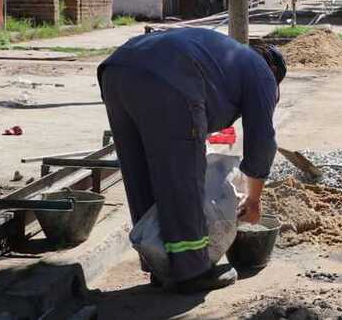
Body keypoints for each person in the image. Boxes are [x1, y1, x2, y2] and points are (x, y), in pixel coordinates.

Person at [97, 28, 286, 293]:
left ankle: (160, 264)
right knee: (181, 178)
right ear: (275, 74)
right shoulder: (263, 74)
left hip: (117, 70)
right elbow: (262, 142)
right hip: (168, 80)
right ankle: (192, 272)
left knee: (140, 174)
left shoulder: (225, 56)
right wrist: (253, 199)